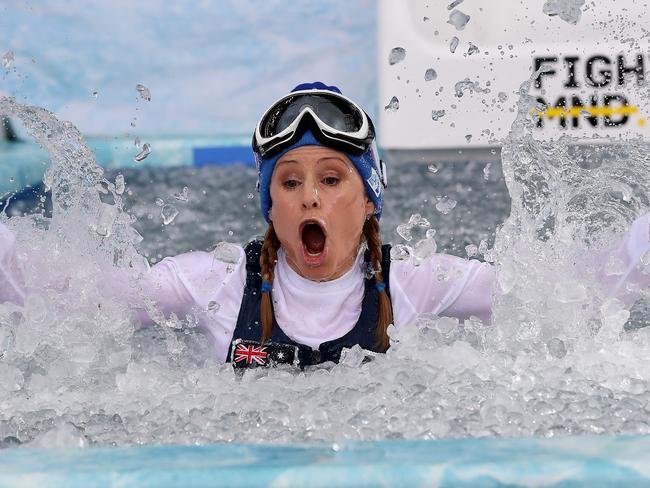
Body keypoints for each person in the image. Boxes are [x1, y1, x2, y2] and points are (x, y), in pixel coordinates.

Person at [1, 82, 649, 369]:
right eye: (289, 182)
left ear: (370, 200)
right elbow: (65, 300)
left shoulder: (421, 286)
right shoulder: (207, 287)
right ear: (270, 206)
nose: (310, 198)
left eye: (333, 179)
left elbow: (570, 298)